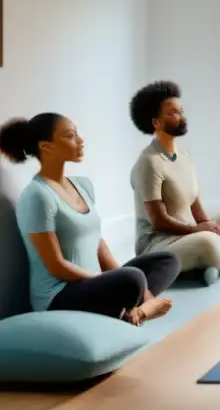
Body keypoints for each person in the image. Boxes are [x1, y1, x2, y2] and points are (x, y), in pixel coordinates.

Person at [0, 114, 180, 325]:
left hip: (92, 283)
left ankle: (132, 309)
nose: (80, 140)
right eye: (70, 135)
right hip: (59, 295)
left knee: (168, 261)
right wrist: (108, 281)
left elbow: (98, 243)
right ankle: (132, 309)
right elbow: (56, 266)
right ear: (46, 147)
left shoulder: (83, 186)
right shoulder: (37, 195)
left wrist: (131, 287)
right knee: (133, 279)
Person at [129, 81, 220, 285]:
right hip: (159, 243)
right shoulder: (149, 162)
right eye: (173, 113)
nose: (181, 116)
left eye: (181, 111)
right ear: (156, 123)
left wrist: (216, 231)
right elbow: (159, 221)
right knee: (207, 242)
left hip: (190, 232)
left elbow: (196, 208)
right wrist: (199, 232)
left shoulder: (184, 155)